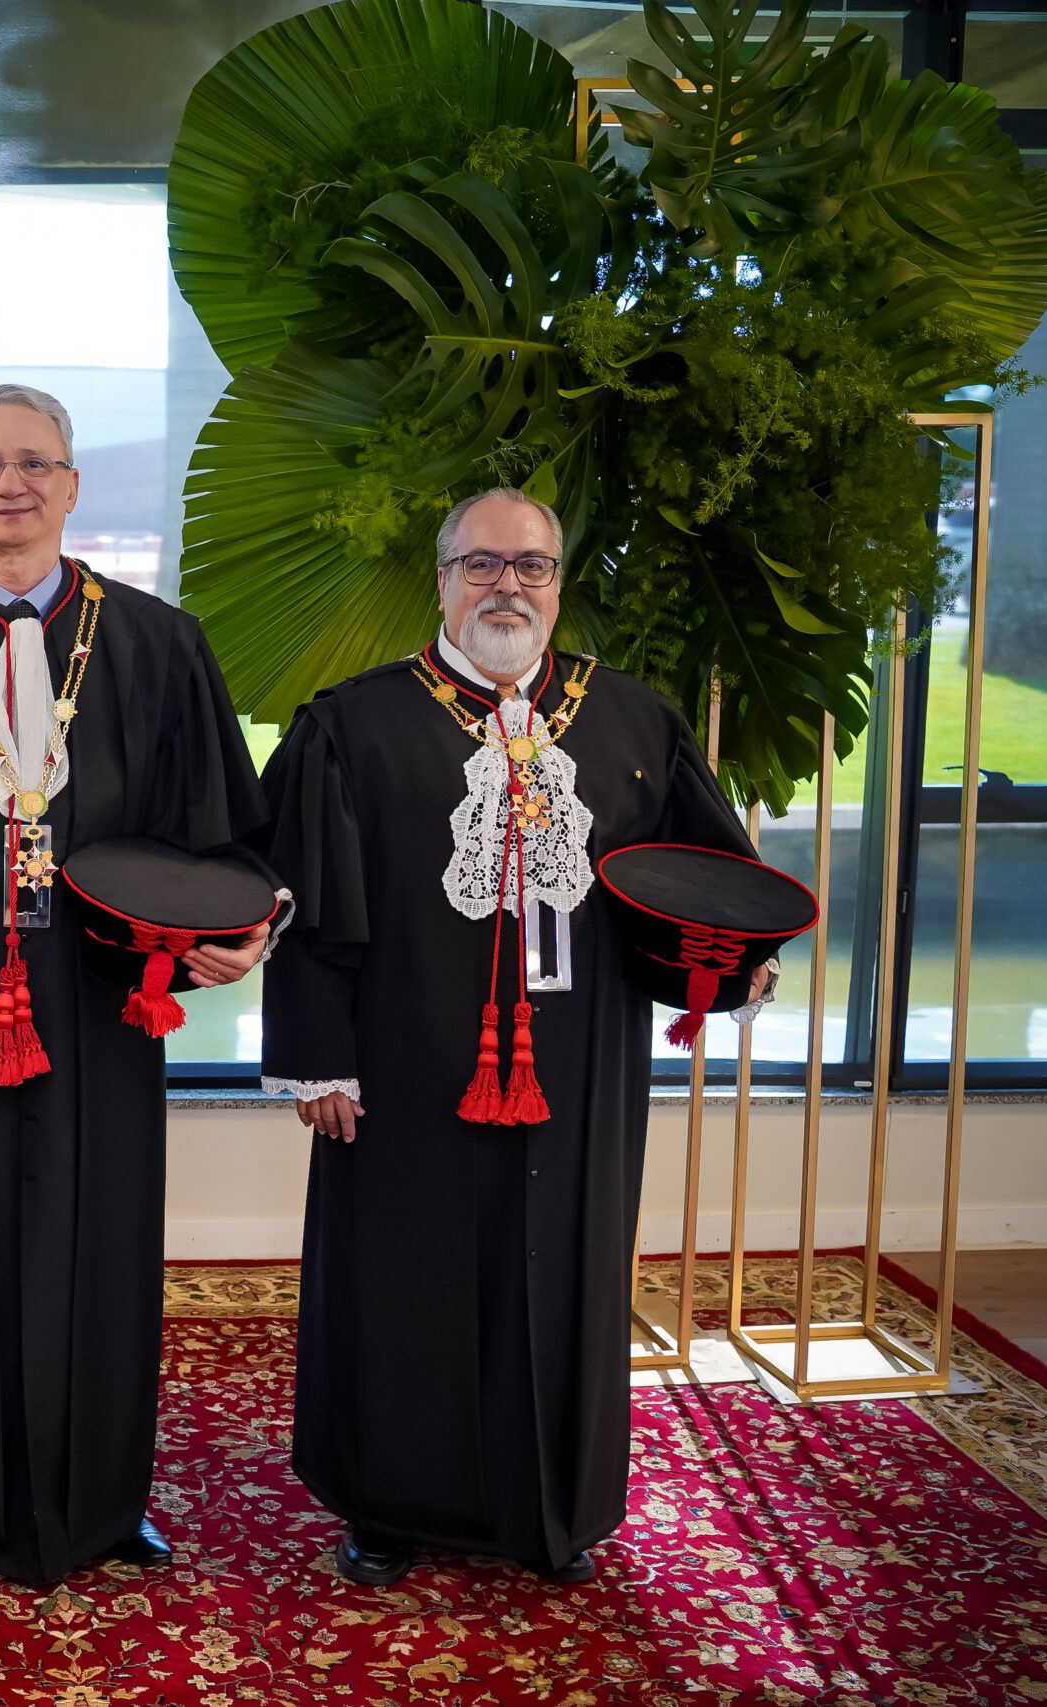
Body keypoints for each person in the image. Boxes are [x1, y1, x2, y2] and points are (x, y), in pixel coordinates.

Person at [259, 486, 775, 1589]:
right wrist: (316, 1057)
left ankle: (554, 1504)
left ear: (558, 582)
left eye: (530, 565)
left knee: (564, 1269)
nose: (507, 585)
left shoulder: (635, 720)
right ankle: (387, 1505)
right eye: (481, 564)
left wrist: (733, 962)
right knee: (404, 1271)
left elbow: (702, 879)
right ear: (442, 579)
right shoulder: (350, 725)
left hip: (582, 1060)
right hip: (401, 1057)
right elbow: (306, 907)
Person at [0, 383, 274, 1583]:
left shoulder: (160, 644)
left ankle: (99, 1503)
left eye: (32, 462)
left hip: (106, 991)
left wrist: (242, 930)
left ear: (72, 486)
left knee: (100, 1242)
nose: (9, 484)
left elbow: (223, 832)